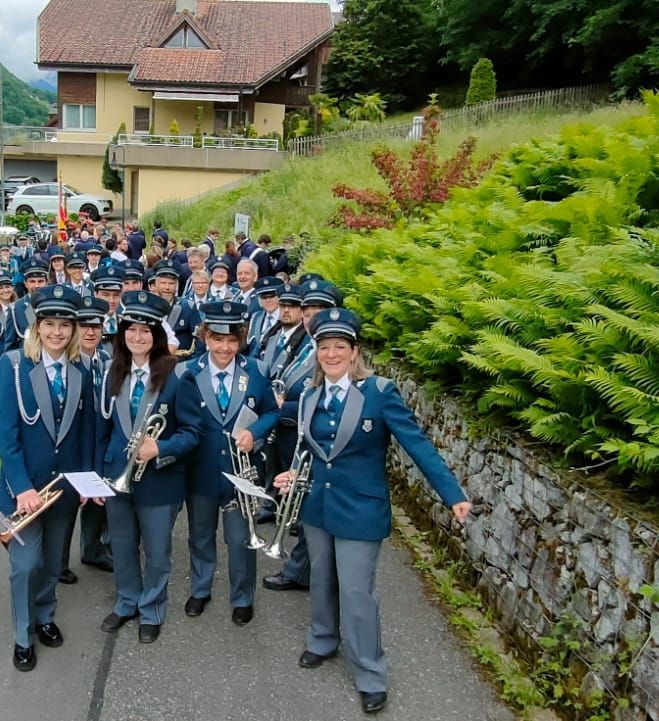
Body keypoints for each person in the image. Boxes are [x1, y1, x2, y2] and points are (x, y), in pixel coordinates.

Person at [275, 308, 474, 715]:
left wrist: (452, 493)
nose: (331, 354)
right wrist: (293, 475)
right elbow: (308, 451)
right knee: (322, 580)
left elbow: (417, 444)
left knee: (356, 592)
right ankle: (322, 640)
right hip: (318, 505)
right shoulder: (309, 395)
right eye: (324, 347)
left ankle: (370, 674)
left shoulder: (380, 393)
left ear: (354, 352)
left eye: (340, 347)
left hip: (361, 509)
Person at [0, 285, 97, 672]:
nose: (57, 332)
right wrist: (22, 488)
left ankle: (45, 615)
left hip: (62, 490)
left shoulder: (81, 370)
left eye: (64, 325)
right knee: (25, 565)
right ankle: (23, 635)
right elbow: (6, 434)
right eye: (49, 324)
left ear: (73, 329)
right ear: (37, 326)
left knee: (53, 561)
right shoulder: (14, 365)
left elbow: (85, 432)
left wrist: (84, 481)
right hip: (23, 490)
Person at [97, 290, 203, 643]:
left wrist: (160, 447)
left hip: (160, 480)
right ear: (122, 332)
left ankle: (152, 608)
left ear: (157, 334)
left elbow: (193, 432)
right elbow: (102, 430)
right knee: (122, 545)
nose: (137, 336)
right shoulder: (112, 372)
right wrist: (98, 477)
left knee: (157, 552)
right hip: (117, 477)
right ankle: (127, 601)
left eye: (145, 330)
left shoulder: (177, 375)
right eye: (131, 328)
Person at [180, 300, 280, 626]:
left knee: (240, 539)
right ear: (205, 337)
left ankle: (242, 597)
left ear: (241, 340)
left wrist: (255, 432)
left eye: (232, 340)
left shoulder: (256, 371)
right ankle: (200, 588)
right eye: (217, 339)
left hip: (242, 473)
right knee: (200, 535)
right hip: (201, 471)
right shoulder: (186, 373)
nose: (224, 347)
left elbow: (271, 412)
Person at [264, 278, 341, 594]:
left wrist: (282, 406)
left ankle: (301, 571)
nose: (310, 320)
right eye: (306, 314)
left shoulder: (329, 353)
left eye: (317, 314)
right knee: (308, 510)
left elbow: (324, 403)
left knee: (312, 510)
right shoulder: (306, 346)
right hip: (295, 435)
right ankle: (304, 570)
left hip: (317, 442)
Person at [58, 295, 113, 584]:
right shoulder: (67, 362)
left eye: (96, 326)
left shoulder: (105, 361)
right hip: (73, 441)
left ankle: (92, 549)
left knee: (96, 498)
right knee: (68, 503)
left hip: (99, 439)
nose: (90, 332)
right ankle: (58, 562)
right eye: (84, 325)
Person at [10, 265, 49, 344]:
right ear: (25, 283)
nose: (37, 285)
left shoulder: (54, 304)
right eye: (32, 281)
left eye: (40, 281)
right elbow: (10, 344)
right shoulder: (16, 307)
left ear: (47, 282)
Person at [246, 276, 282, 357]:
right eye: (264, 297)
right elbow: (250, 344)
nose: (268, 300)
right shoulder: (255, 317)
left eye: (272, 296)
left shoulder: (285, 318)